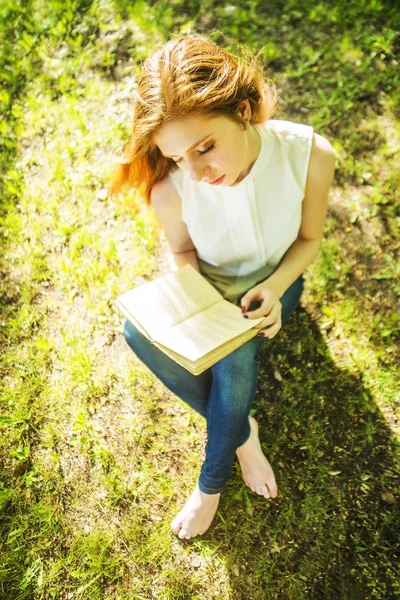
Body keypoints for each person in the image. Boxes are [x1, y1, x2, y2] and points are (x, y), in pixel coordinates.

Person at [112, 34, 335, 540]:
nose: (198, 171)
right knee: (135, 331)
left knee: (233, 357)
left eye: (205, 147)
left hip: (274, 282)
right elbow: (184, 254)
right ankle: (243, 431)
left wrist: (276, 288)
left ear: (244, 109)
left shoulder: (310, 155)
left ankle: (212, 482)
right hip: (208, 289)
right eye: (178, 156)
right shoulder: (172, 188)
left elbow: (309, 240)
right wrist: (190, 297)